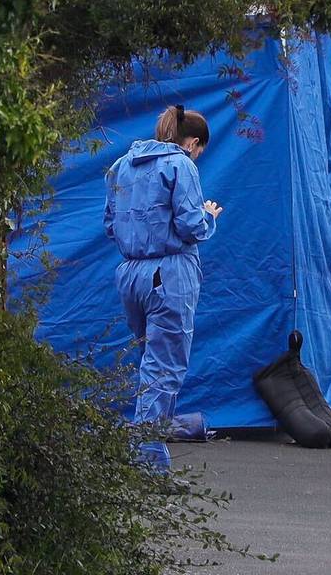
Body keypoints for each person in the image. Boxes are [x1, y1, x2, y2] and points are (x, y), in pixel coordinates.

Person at [104, 104, 224, 469]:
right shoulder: (180, 165)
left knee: (149, 363)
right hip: (169, 275)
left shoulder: (122, 165)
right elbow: (190, 226)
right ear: (191, 143)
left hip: (130, 274)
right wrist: (208, 216)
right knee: (165, 367)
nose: (199, 156)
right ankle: (147, 460)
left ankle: (150, 436)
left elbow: (110, 224)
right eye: (200, 149)